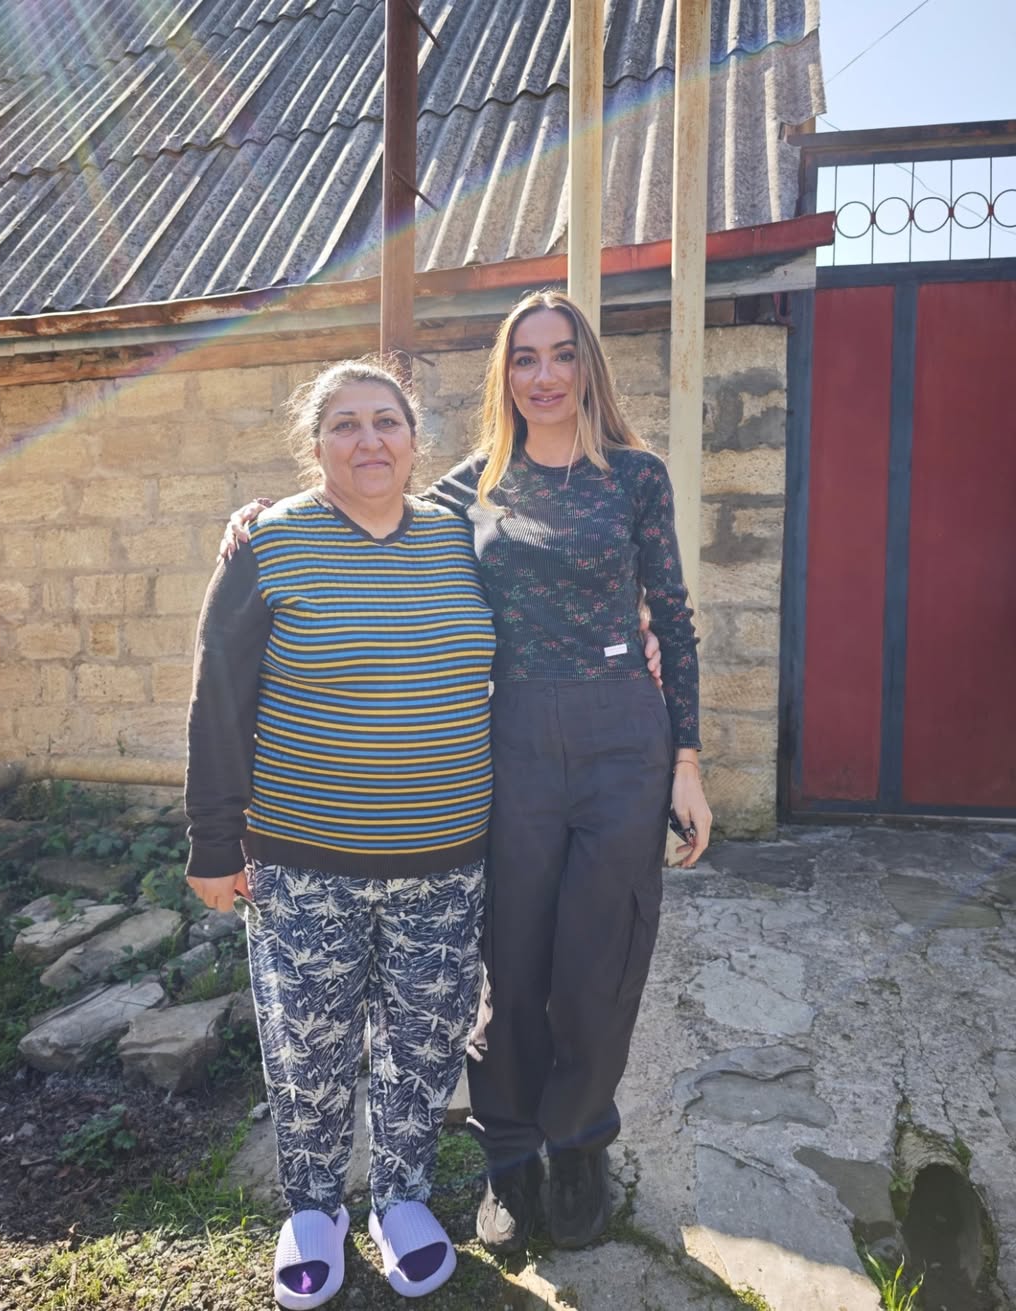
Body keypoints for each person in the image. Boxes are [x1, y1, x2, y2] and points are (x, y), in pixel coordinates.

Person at [222, 290, 711, 1259]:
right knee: (512, 962)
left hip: (624, 737)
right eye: (524, 358)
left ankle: (580, 1145)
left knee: (601, 963)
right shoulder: (475, 486)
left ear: (588, 366)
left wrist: (687, 760)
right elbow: (371, 497)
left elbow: (674, 617)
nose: (544, 375)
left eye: (561, 355)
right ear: (504, 374)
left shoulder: (637, 476)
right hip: (514, 738)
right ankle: (510, 1158)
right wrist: (264, 518)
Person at [184, 361, 496, 1309]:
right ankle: (313, 1209)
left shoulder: (463, 539)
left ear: (415, 440)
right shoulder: (270, 542)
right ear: (314, 445)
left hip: (446, 860)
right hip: (303, 863)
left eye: (387, 421)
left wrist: (640, 625)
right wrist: (212, 840)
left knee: (424, 1042)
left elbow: (550, 611)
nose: (369, 440)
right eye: (345, 424)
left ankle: (403, 1198)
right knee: (308, 1048)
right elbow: (218, 696)